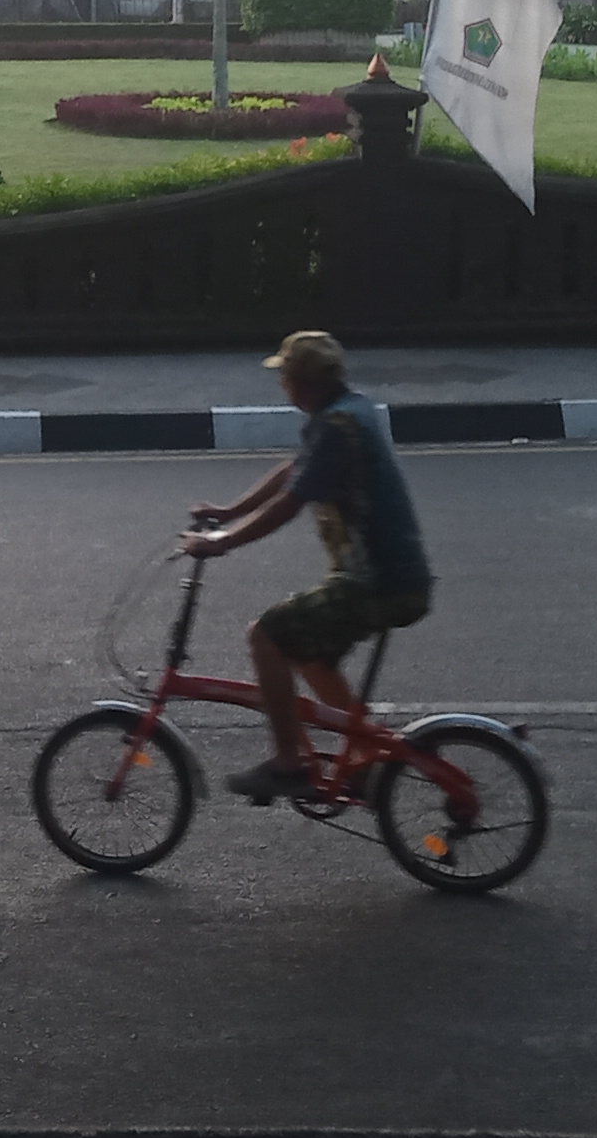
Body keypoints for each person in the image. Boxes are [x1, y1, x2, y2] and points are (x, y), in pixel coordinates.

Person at [182, 330, 432, 803]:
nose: (283, 387)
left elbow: (290, 502)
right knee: (308, 651)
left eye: (286, 378)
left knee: (267, 635)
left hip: (377, 584)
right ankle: (363, 751)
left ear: (303, 383)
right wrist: (227, 513)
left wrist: (221, 544)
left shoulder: (338, 428)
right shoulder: (344, 415)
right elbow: (293, 471)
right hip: (387, 579)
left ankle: (289, 764)